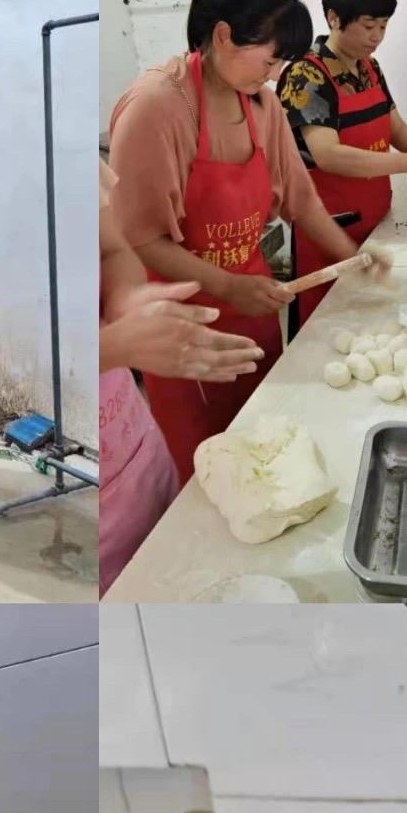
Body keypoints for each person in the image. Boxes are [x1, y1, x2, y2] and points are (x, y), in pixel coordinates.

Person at [108, 0, 386, 484]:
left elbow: (302, 201)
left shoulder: (262, 105)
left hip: (253, 310)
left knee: (271, 451)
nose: (275, 74)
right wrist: (227, 285)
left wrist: (354, 260)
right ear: (223, 36)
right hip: (183, 327)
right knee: (210, 473)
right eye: (270, 58)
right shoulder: (157, 107)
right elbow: (140, 237)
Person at [98, 162, 263, 591]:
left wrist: (126, 300)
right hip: (77, 503)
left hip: (135, 452)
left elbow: (113, 250)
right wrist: (112, 346)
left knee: (179, 575)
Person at [277, 0, 407, 330]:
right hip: (329, 228)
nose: (376, 37)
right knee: (327, 328)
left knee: (377, 325)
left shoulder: (369, 68)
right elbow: (329, 155)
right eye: (368, 26)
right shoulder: (306, 75)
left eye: (384, 27)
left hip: (376, 220)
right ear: (333, 18)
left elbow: (397, 129)